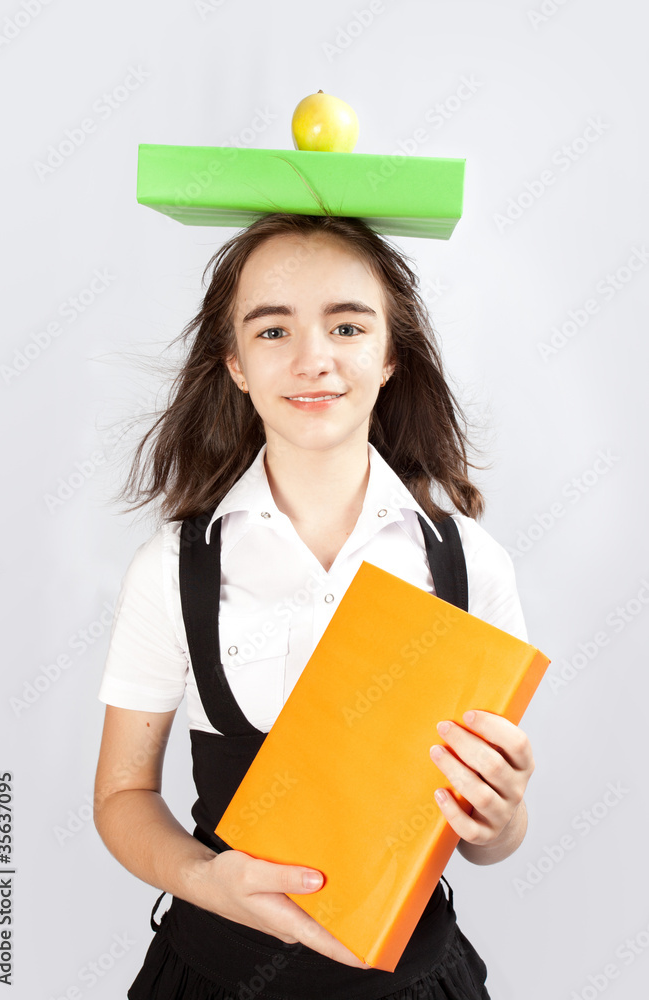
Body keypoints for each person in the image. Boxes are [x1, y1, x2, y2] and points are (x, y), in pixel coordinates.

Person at [93, 211, 536, 1000]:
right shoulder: (172, 568)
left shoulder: (469, 564)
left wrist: (501, 821)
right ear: (232, 363)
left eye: (346, 325)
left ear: (390, 353)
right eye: (271, 331)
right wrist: (205, 880)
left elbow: (484, 838)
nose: (312, 359)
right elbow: (123, 795)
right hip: (210, 979)